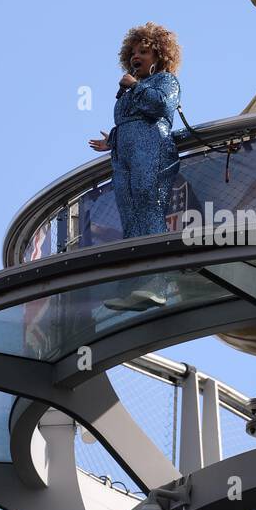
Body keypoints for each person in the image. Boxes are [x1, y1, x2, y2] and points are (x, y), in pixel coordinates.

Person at [89, 21, 181, 309]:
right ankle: (132, 285)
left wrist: (137, 86)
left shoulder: (165, 81)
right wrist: (113, 140)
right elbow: (130, 124)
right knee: (130, 218)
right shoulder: (131, 91)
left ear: (159, 56)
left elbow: (160, 108)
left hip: (152, 150)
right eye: (133, 53)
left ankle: (158, 283)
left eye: (144, 51)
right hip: (124, 158)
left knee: (148, 206)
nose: (136, 57)